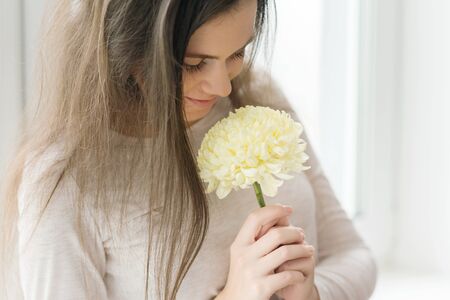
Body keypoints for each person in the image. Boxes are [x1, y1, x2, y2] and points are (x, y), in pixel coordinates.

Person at [0, 0, 377, 299]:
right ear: (126, 47)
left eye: (236, 54)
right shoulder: (63, 183)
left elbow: (354, 257)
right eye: (194, 64)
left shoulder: (258, 95)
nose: (222, 88)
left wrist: (314, 294)